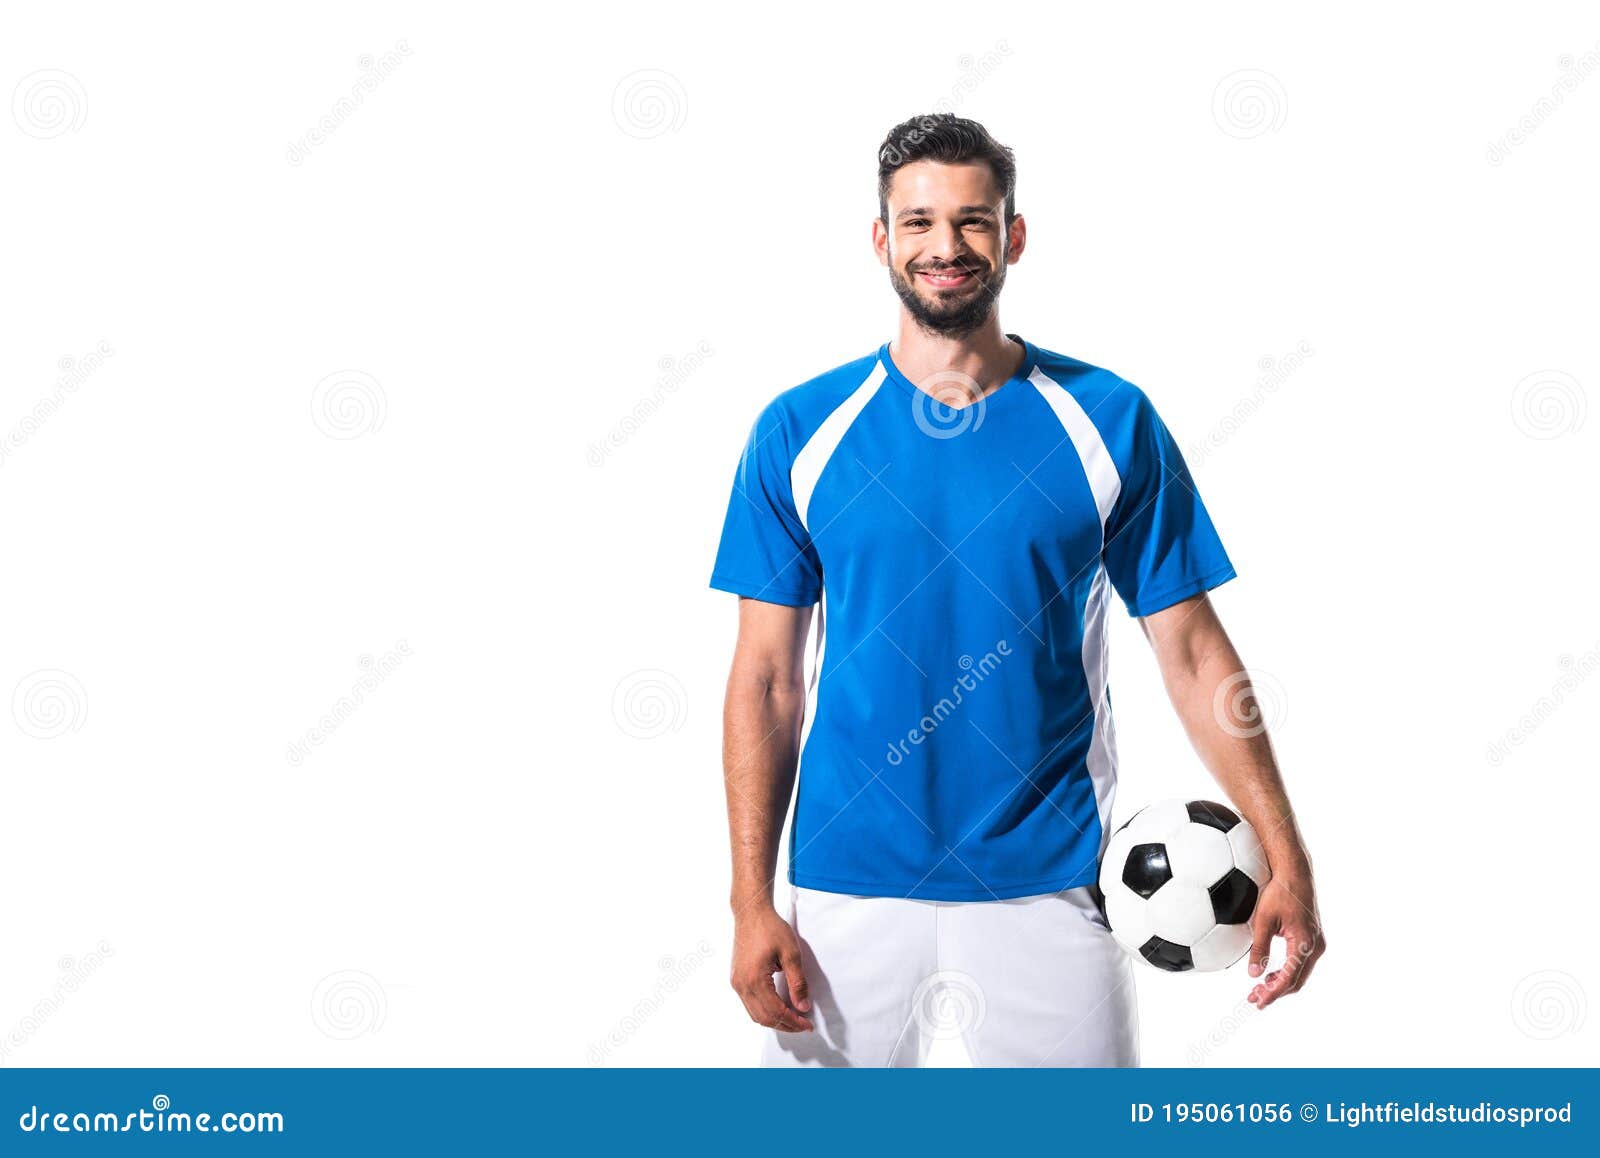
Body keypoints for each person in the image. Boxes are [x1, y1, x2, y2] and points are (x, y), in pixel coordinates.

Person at [707, 113, 1325, 1067]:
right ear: (881, 239)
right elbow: (765, 682)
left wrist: (1287, 853)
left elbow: (1194, 651)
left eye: (972, 221)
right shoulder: (801, 430)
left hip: (1055, 881)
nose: (944, 247)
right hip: (844, 887)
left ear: (1014, 236)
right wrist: (752, 903)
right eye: (917, 223)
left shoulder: (1108, 419)